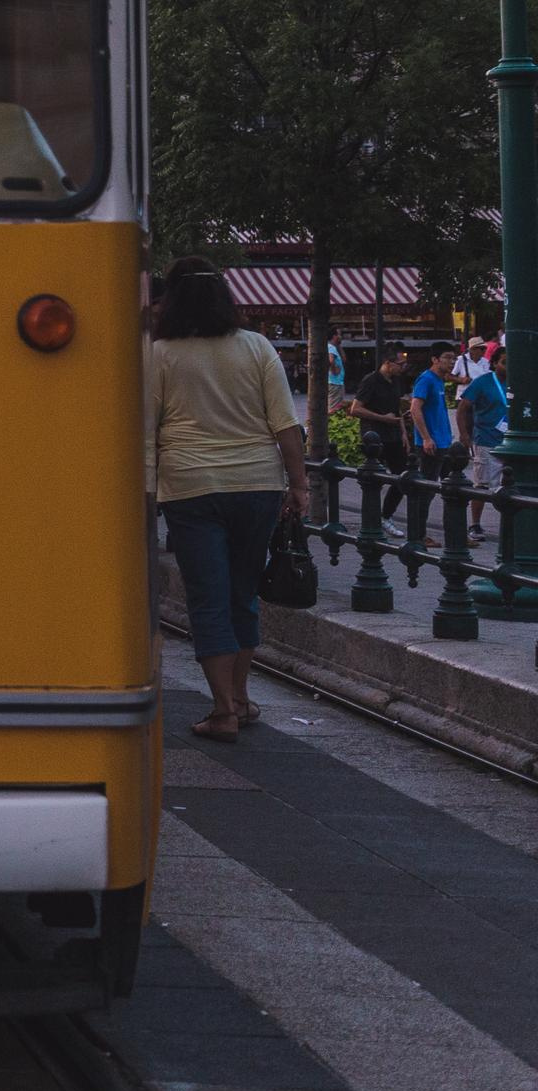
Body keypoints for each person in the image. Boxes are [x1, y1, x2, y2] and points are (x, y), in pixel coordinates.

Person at [152, 257, 309, 744]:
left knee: (208, 599)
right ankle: (241, 699)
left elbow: (144, 429)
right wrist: (299, 484)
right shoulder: (257, 346)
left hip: (190, 486)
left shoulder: (160, 354)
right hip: (257, 484)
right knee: (243, 593)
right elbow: (285, 423)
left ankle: (222, 710)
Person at [463, 348, 509, 540]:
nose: (508, 366)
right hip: (486, 439)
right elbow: (463, 408)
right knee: (482, 483)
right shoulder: (482, 382)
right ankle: (475, 524)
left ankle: (510, 525)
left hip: (510, 441)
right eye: (504, 362)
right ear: (495, 363)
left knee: (511, 485)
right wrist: (465, 435)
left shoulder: (517, 382)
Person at [351, 345, 413, 471]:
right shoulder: (371, 380)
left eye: (405, 364)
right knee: (375, 473)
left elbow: (397, 408)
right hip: (375, 435)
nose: (403, 368)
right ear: (387, 363)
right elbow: (355, 409)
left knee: (401, 472)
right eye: (400, 364)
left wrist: (404, 433)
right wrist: (383, 418)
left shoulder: (396, 380)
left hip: (394, 434)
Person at [413, 343, 462, 477]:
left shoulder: (439, 380)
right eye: (447, 357)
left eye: (454, 358)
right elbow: (415, 409)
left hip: (443, 441)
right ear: (435, 359)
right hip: (432, 443)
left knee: (449, 483)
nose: (452, 362)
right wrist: (426, 438)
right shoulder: (426, 379)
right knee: (428, 485)